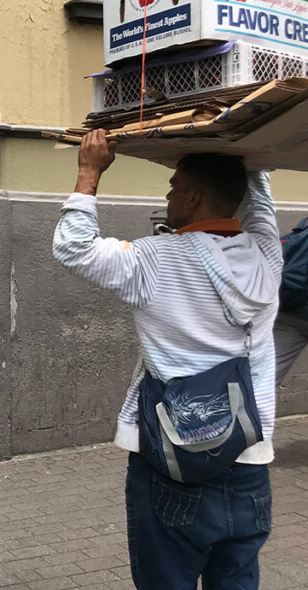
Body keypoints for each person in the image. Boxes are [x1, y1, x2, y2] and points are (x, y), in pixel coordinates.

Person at [53, 129, 281, 590]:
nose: (168, 192)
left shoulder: (153, 260)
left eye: (175, 185)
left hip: (173, 461)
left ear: (194, 197)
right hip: (250, 459)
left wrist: (89, 171)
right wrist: (247, 150)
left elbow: (72, 247)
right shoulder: (267, 256)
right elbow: (259, 208)